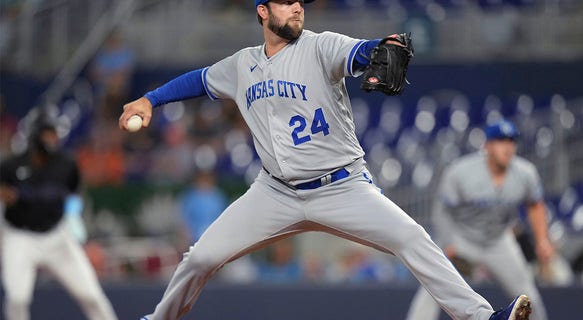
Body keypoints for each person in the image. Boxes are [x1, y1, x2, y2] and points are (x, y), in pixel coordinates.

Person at [118, 1, 533, 319]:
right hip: (274, 192)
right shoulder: (242, 64)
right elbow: (200, 79)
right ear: (263, 12)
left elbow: (360, 53)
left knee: (412, 238)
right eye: (285, 2)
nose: (297, 6)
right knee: (201, 258)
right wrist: (150, 100)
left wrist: (379, 49)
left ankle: (481, 316)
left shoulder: (320, 46)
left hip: (342, 186)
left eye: (300, 1)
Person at [405, 120, 554, 320]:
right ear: (487, 146)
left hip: (499, 241)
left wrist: (542, 239)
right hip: (462, 238)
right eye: (500, 141)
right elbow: (444, 210)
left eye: (511, 141)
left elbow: (535, 205)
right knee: (433, 286)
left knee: (528, 296)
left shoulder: (525, 173)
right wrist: (448, 243)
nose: (507, 147)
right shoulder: (461, 171)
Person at [0, 118, 117, 320]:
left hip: (56, 235)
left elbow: (75, 192)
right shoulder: (12, 165)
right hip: (20, 236)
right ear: (35, 136)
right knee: (17, 299)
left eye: (54, 134)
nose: (52, 139)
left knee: (92, 296)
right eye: (48, 134)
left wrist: (73, 218)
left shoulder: (66, 163)